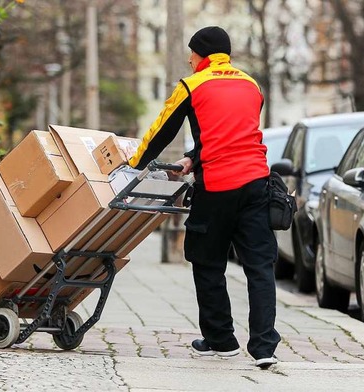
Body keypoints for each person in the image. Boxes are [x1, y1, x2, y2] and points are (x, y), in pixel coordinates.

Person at [126, 26, 280, 369]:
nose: (189, 59)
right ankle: (265, 346)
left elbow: (161, 131)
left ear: (201, 55)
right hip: (257, 184)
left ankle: (221, 339)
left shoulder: (191, 85)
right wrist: (193, 158)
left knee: (208, 262)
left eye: (191, 53)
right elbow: (233, 132)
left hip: (218, 187)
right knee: (259, 266)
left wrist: (132, 164)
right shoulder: (251, 85)